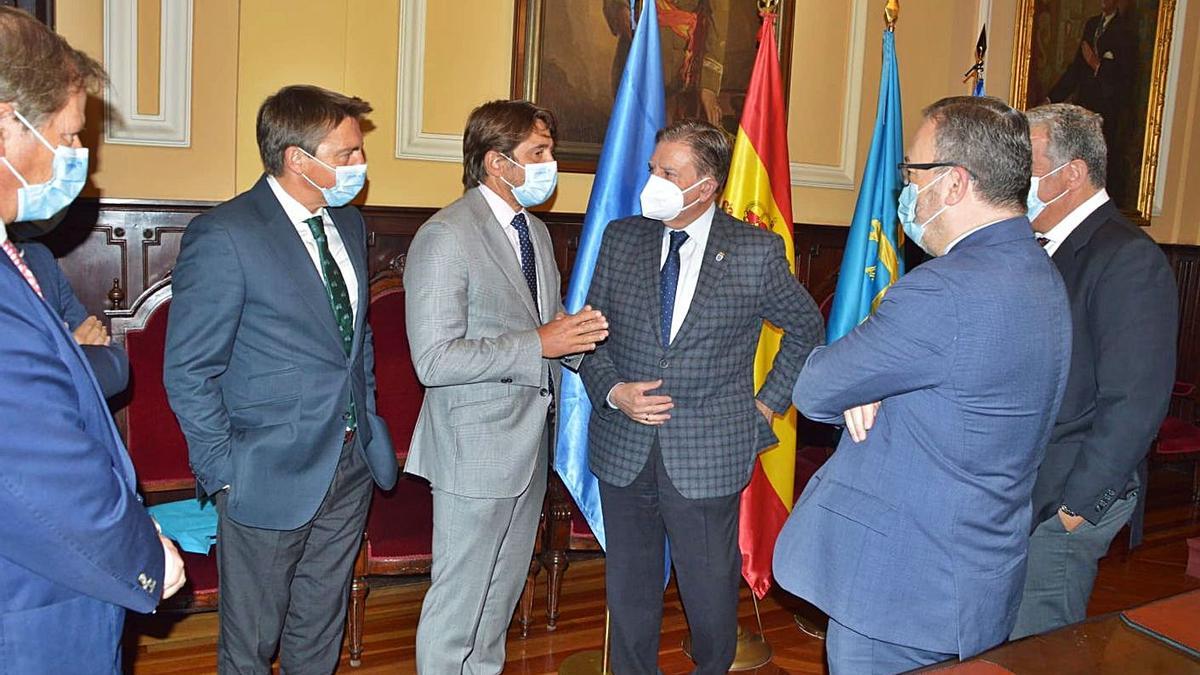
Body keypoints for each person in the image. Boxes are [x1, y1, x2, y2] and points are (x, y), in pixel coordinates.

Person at [773, 96, 1073, 673]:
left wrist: (866, 382)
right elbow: (960, 388)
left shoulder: (942, 291)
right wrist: (878, 382)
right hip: (976, 579)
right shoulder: (1041, 275)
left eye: (912, 171)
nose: (905, 188)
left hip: (899, 588)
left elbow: (814, 388)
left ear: (954, 183)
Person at [164, 84, 398, 673]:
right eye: (346, 154)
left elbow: (356, 337)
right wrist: (224, 473)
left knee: (319, 630)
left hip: (349, 464)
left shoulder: (346, 224)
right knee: (251, 645)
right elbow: (190, 368)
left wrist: (364, 421)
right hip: (264, 472)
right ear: (298, 158)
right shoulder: (226, 234)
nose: (360, 166)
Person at [578, 119, 823, 674]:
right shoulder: (624, 238)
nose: (653, 181)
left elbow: (806, 326)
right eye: (652, 169)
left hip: (708, 453)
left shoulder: (755, 251)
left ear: (706, 185)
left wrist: (766, 405)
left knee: (709, 595)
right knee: (630, 591)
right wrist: (614, 391)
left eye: (668, 172)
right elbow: (589, 333)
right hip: (623, 446)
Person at [0, 6, 184, 672]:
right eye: (69, 135)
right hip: (30, 612)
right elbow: (34, 467)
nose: (80, 157)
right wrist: (140, 550)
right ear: (6, 122)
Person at [403, 99, 608, 674]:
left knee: (496, 608)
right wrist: (538, 343)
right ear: (497, 162)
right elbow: (435, 360)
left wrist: (606, 363)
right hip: (473, 450)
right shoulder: (445, 235)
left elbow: (553, 331)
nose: (551, 165)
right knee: (457, 609)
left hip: (527, 446)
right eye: (537, 154)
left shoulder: (534, 233)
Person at [1011, 103, 1178, 639]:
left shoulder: (1127, 257)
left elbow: (1136, 400)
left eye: (1026, 166)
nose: (1015, 181)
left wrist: (1076, 507)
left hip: (1064, 495)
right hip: (1020, 489)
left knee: (1038, 648)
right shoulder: (1032, 248)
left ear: (1073, 173)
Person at [1046, 0, 1136, 206]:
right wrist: (1052, 98)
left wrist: (1097, 65)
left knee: (1099, 163)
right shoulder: (1092, 24)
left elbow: (1126, 76)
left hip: (1108, 112)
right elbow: (1076, 69)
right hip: (1084, 107)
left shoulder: (1124, 31)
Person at [19, 239, 130, 398]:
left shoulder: (39, 257)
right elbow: (14, 378)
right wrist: (68, 348)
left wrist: (60, 353)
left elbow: (116, 368)